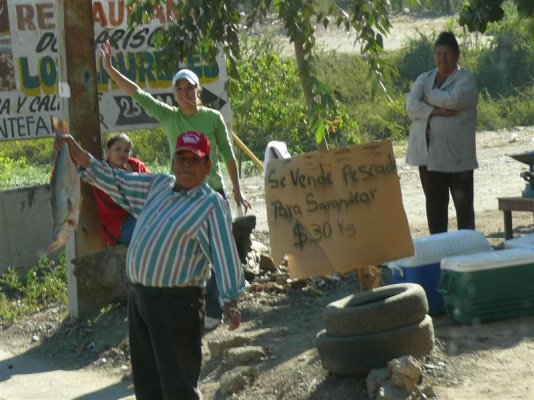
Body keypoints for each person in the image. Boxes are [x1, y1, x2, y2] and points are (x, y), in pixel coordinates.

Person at [57, 130, 246, 400]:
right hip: (141, 299)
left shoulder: (210, 204)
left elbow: (224, 252)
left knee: (178, 385)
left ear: (208, 166)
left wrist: (230, 300)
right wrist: (83, 158)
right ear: (173, 163)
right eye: (181, 159)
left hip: (178, 305)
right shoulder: (158, 185)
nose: (186, 166)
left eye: (195, 160)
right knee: (147, 384)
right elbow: (118, 180)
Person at [101, 40, 250, 328]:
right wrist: (109, 68)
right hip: (179, 196)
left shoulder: (213, 118)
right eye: (178, 89)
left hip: (211, 193)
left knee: (220, 249)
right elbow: (138, 93)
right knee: (188, 252)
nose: (184, 94)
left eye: (188, 88)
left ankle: (217, 311)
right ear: (174, 94)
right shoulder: (169, 117)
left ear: (198, 91)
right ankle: (194, 305)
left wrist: (236, 189)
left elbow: (229, 155)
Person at [405, 31, 479, 234]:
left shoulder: (466, 80)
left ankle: (468, 252)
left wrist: (428, 98)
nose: (442, 58)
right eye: (438, 53)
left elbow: (454, 100)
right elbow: (411, 106)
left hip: (457, 157)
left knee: (464, 210)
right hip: (430, 158)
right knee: (435, 210)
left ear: (456, 56)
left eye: (446, 53)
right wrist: (435, 111)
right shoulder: (425, 78)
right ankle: (439, 254)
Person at [92, 133, 149, 245]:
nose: (122, 153)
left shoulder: (137, 166)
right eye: (118, 149)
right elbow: (112, 206)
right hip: (118, 225)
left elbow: (150, 190)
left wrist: (133, 176)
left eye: (126, 150)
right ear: (108, 151)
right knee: (150, 224)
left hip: (142, 216)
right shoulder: (102, 172)